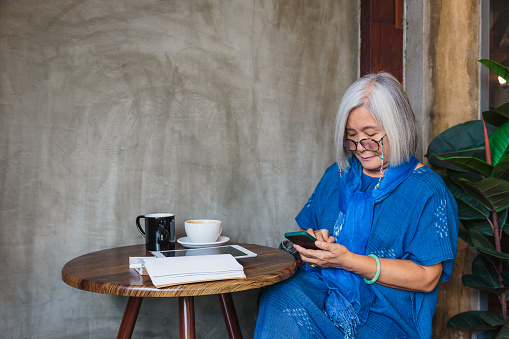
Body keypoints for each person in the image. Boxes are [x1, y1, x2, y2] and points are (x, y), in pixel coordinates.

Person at [254, 73, 459, 339]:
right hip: (323, 289)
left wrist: (349, 261)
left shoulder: (427, 191)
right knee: (279, 297)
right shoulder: (337, 174)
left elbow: (426, 277)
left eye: (371, 136)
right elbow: (309, 229)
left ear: (399, 128)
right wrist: (317, 242)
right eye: (351, 137)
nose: (361, 148)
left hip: (384, 312)